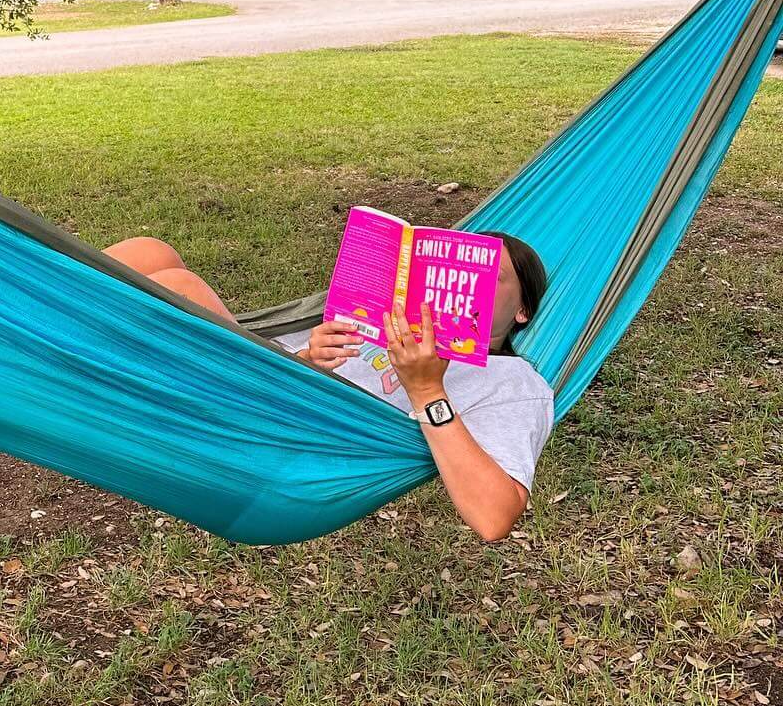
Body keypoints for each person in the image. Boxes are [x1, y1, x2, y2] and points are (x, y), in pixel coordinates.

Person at [105, 231, 552, 543]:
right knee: (148, 253)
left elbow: (495, 517)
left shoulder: (510, 382)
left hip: (259, 422)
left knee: (176, 286)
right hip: (271, 370)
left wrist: (427, 391)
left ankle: (48, 340)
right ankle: (39, 311)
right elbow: (307, 376)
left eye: (489, 277)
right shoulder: (390, 320)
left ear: (523, 311)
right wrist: (308, 358)